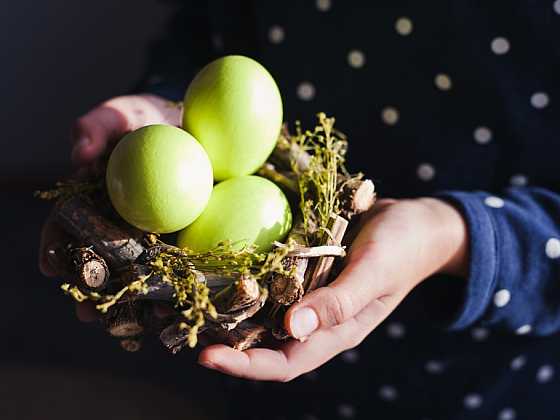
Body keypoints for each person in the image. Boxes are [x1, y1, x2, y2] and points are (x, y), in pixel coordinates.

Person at [40, 1, 560, 419]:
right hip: (265, 343)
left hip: (475, 378)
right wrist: (164, 105)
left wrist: (454, 235)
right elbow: (213, 34)